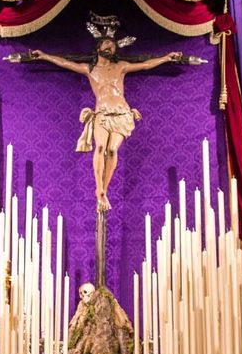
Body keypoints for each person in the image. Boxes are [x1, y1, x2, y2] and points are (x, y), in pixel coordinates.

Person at [26, 20, 192, 212]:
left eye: (113, 46)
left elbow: (146, 65)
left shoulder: (120, 66)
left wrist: (166, 58)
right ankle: (99, 189)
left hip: (122, 114)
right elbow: (65, 63)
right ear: (98, 47)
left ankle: (105, 188)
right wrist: (45, 56)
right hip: (102, 114)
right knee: (101, 147)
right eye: (107, 44)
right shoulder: (90, 69)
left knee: (112, 151)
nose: (110, 47)